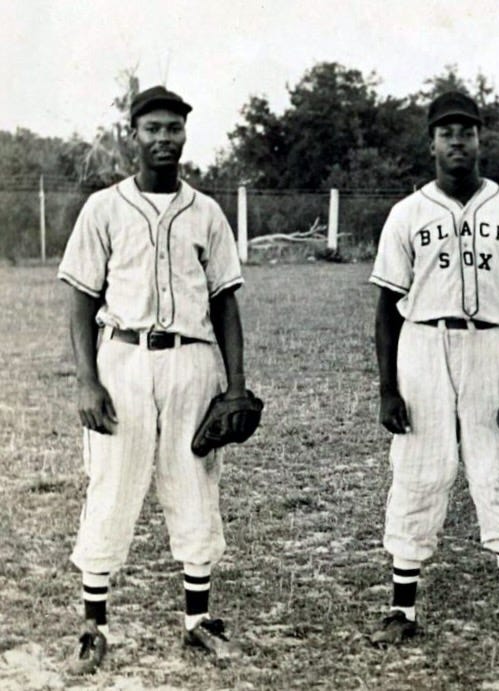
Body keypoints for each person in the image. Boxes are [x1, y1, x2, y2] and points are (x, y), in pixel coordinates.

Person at [58, 86, 249, 673]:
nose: (164, 138)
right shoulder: (105, 207)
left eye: (174, 128)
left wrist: (236, 386)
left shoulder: (207, 211)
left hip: (191, 361)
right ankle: (94, 627)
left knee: (194, 484)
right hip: (124, 358)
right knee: (112, 486)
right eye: (153, 128)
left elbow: (225, 303)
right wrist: (87, 381)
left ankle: (197, 621)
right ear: (132, 135)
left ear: (185, 134)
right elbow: (80, 300)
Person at [368, 91, 499, 646]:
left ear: (480, 139)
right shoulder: (408, 213)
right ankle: (402, 610)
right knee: (419, 470)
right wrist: (387, 388)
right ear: (431, 143)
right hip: (424, 343)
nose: (458, 140)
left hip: (493, 346)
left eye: (467, 130)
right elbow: (386, 307)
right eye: (446, 131)